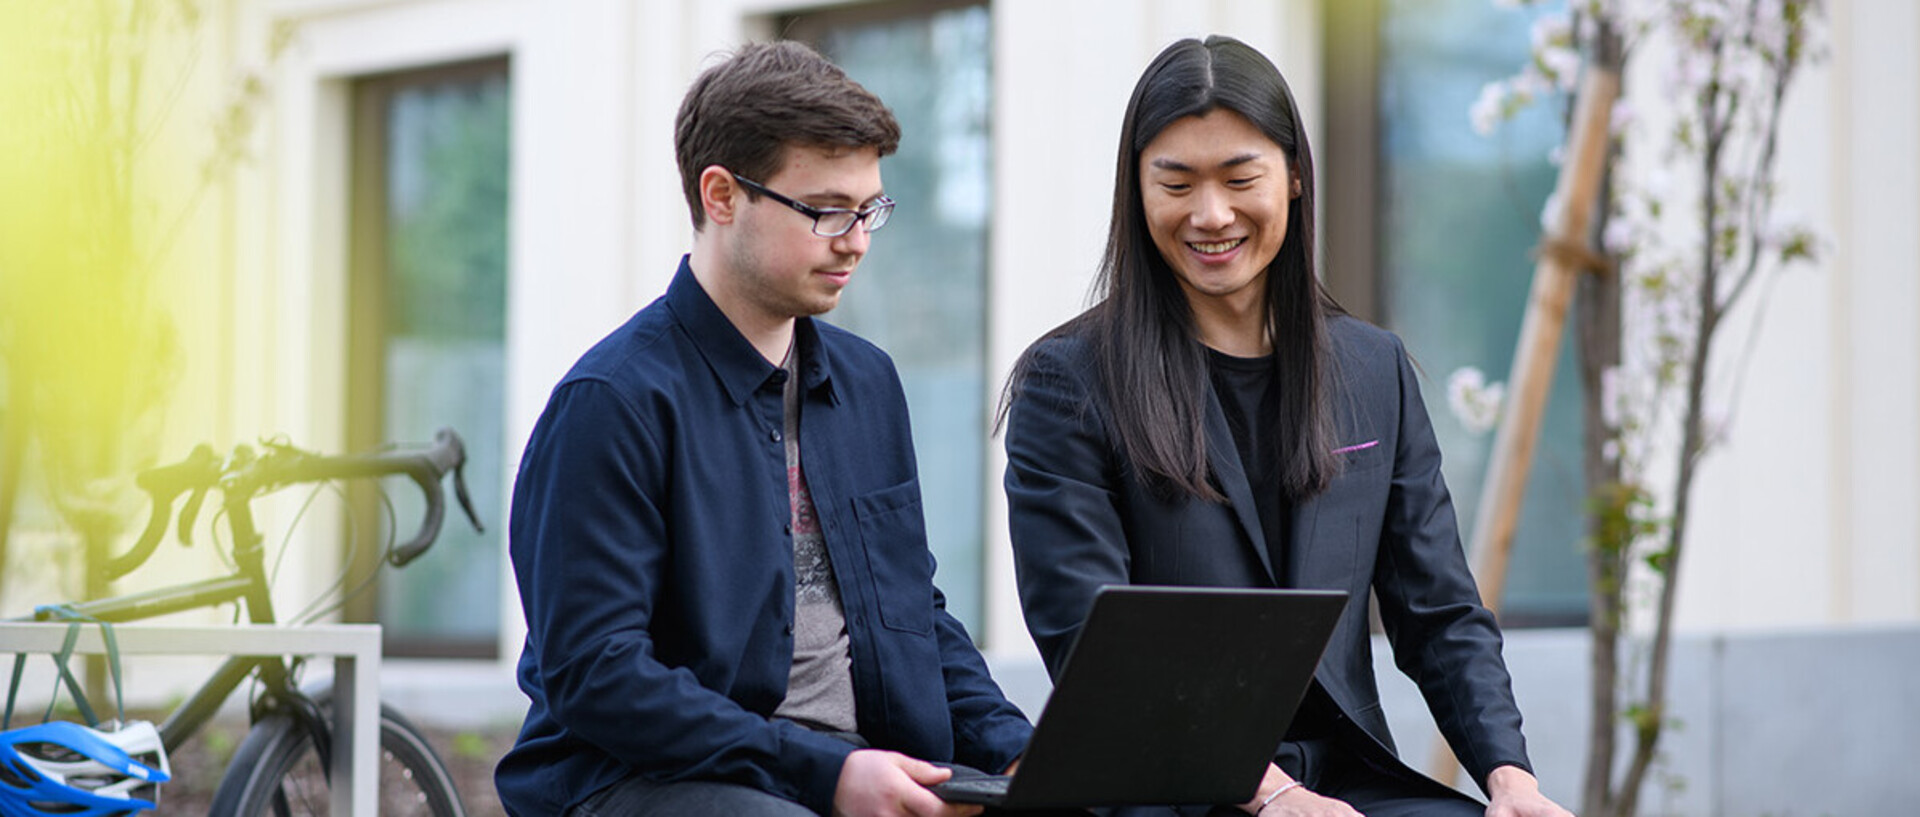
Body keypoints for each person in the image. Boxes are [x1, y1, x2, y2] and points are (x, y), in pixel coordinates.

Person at [999, 35, 1575, 817]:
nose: (1211, 214)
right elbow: (1094, 643)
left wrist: (1511, 778)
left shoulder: (1374, 370)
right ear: (1136, 190)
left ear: (1295, 176)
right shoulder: (1070, 380)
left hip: (1347, 777)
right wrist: (1271, 796)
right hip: (1163, 787)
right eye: (1176, 182)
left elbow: (1438, 613)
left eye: (1241, 178)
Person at [496, 40, 1032, 817]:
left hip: (859, 772)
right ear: (721, 195)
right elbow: (597, 674)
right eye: (826, 210)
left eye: (870, 208)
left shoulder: (868, 382)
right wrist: (827, 773)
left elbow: (913, 611)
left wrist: (1011, 746)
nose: (856, 239)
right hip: (643, 783)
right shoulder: (610, 402)